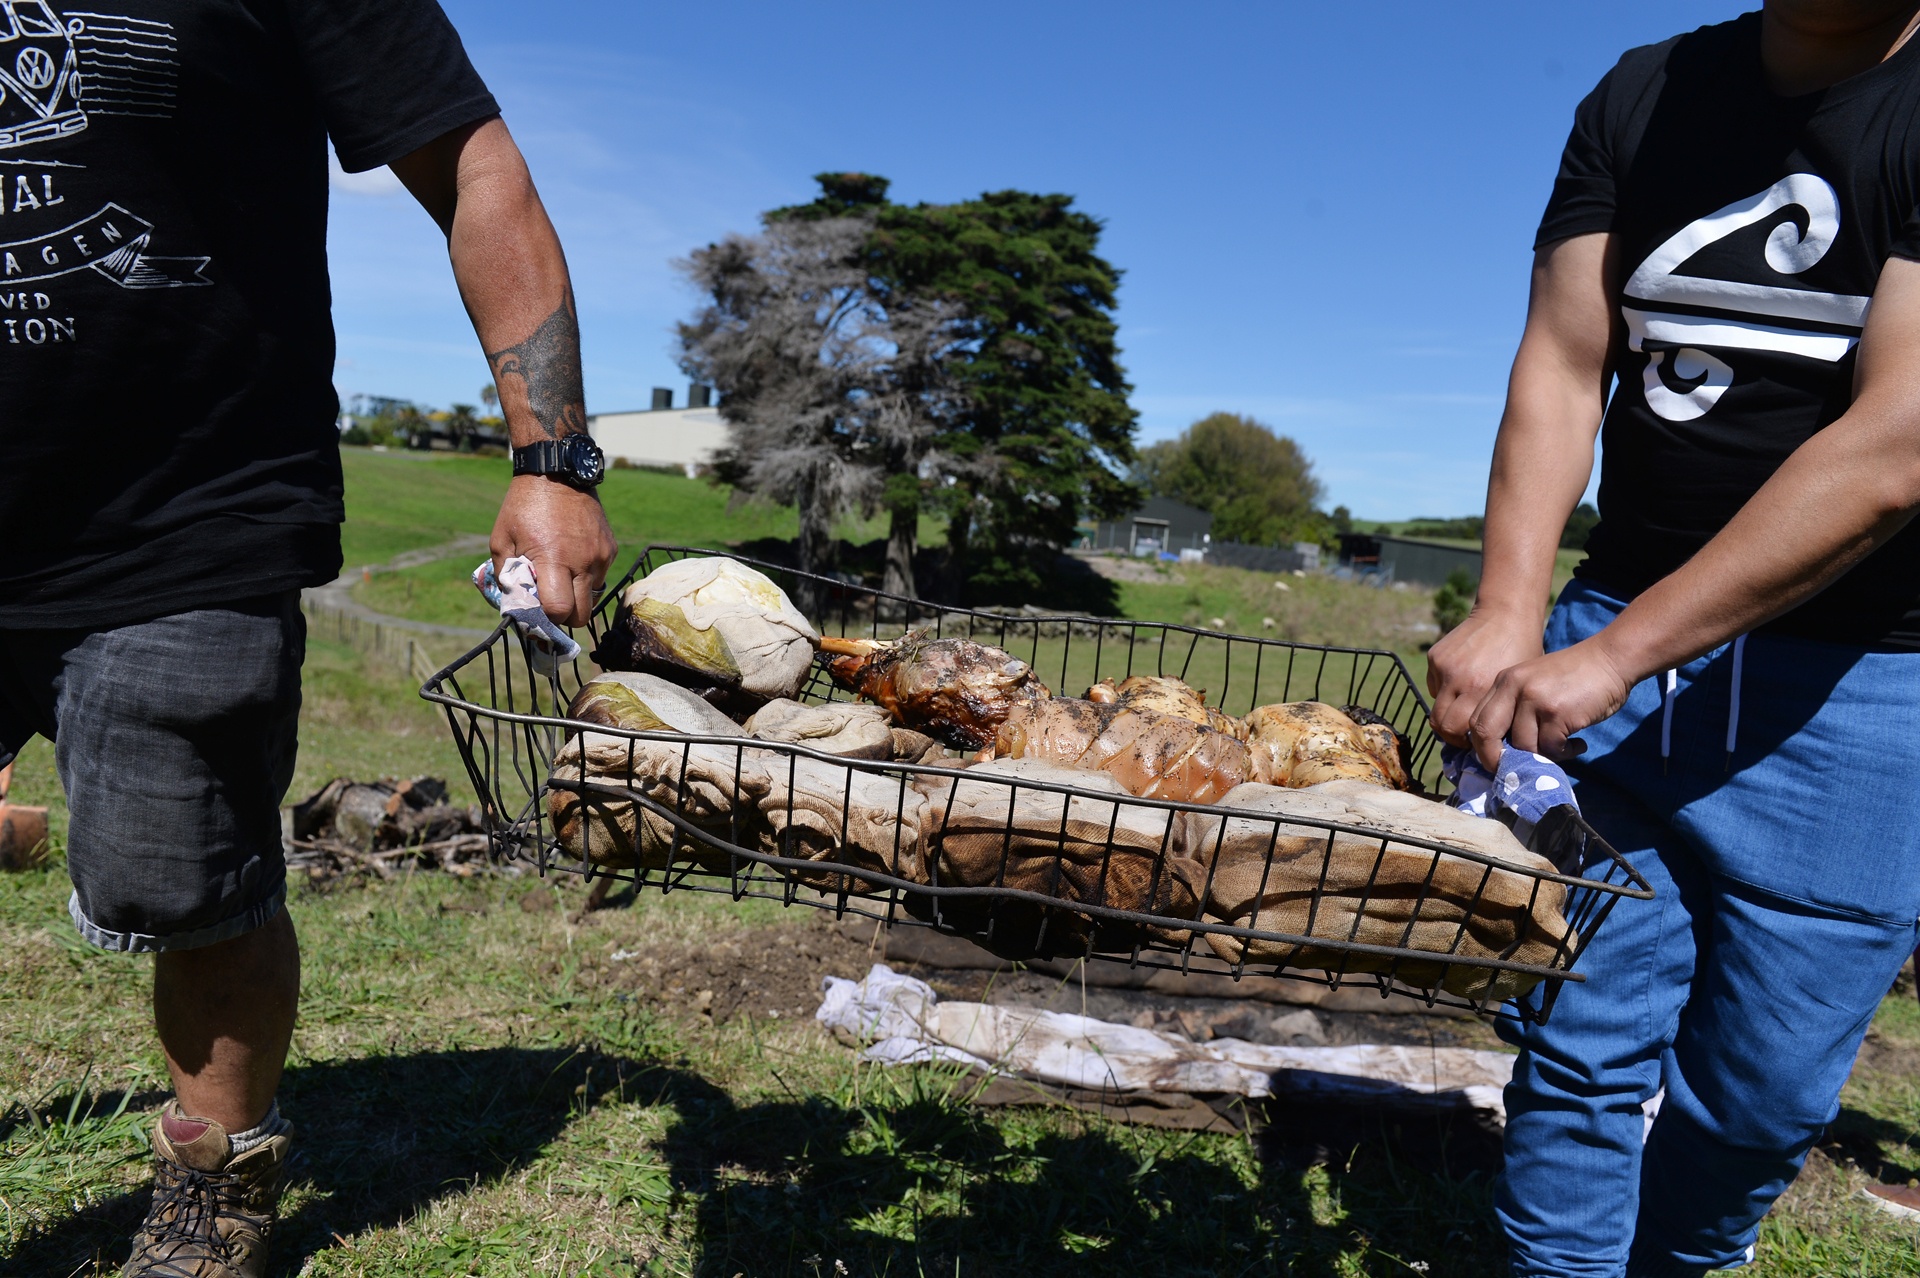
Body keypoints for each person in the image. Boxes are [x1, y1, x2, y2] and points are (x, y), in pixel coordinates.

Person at [0, 2, 615, 1274]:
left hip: (179, 516)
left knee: (189, 887)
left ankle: (215, 1186)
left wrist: (551, 455)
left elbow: (473, 164)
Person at [1425, 2, 1920, 1273]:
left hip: (1866, 689)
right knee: (1578, 1051)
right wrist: (1509, 609)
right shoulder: (1644, 92)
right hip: (1603, 651)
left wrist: (1615, 657)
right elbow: (1561, 355)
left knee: (1761, 1108)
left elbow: (1896, 446)